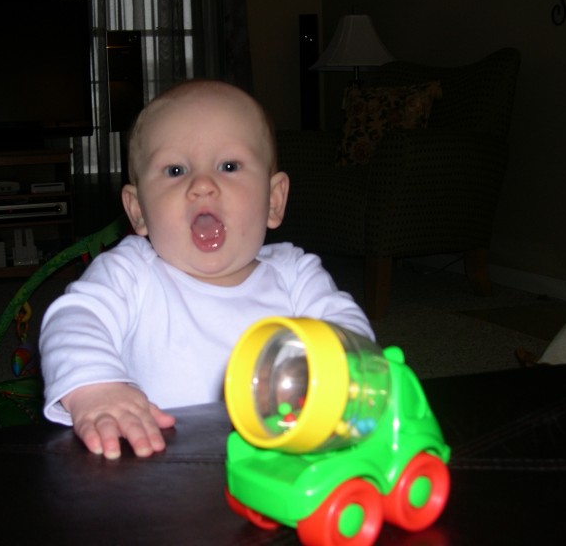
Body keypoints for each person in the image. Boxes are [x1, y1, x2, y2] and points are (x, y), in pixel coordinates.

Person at [39, 79, 373, 459]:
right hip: (163, 467)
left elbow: (347, 331)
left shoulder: (296, 275)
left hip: (283, 462)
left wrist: (345, 381)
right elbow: (74, 319)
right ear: (137, 210)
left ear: (274, 200)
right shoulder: (130, 272)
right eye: (176, 170)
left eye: (229, 166)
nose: (202, 185)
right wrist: (98, 389)